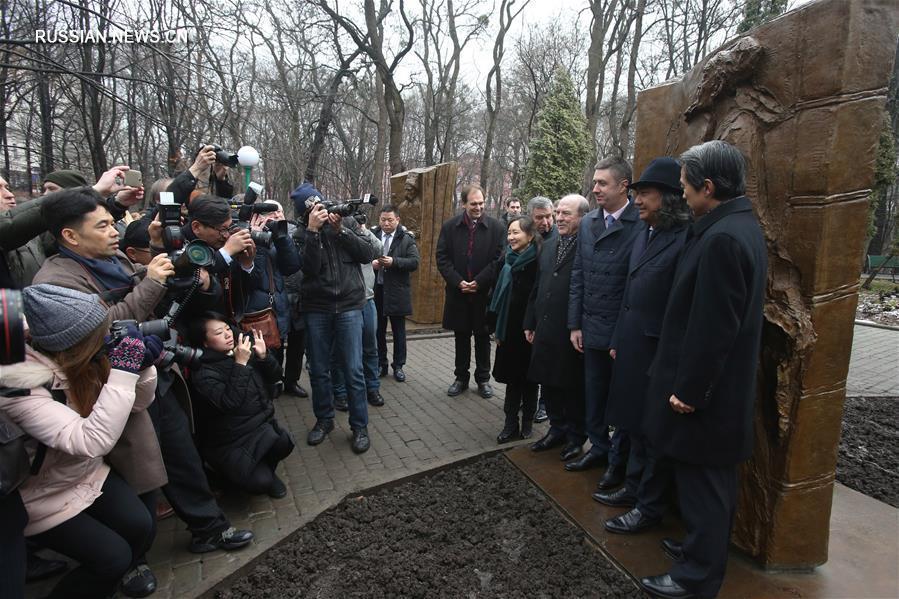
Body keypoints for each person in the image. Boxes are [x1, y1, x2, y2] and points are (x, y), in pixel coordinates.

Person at [639, 141, 767, 599]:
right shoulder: (732, 226)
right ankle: (700, 548)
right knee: (704, 483)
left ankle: (696, 578)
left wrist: (690, 390)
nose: (682, 193)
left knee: (706, 486)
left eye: (685, 186)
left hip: (707, 397)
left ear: (707, 187)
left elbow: (714, 328)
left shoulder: (723, 239)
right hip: (716, 391)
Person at [0, 284, 158, 599]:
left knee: (141, 526)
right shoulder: (19, 386)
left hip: (84, 472)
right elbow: (89, 440)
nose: (106, 339)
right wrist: (123, 371)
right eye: (98, 335)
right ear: (74, 346)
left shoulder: (84, 361)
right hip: (42, 493)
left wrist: (141, 369)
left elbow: (137, 405)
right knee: (112, 559)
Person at [593, 158, 690, 538]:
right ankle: (632, 488)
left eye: (645, 194)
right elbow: (629, 293)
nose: (637, 201)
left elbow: (679, 308)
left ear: (668, 198)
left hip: (658, 355)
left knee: (653, 434)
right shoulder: (645, 233)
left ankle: (648, 507)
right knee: (633, 425)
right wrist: (618, 339)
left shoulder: (684, 239)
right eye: (636, 194)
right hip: (631, 349)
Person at [566, 157, 640, 492]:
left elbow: (635, 286)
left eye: (602, 183)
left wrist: (622, 335)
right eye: (594, 182)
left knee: (621, 401)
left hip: (621, 331)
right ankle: (597, 447)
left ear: (624, 186)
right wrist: (575, 324)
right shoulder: (589, 223)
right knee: (593, 394)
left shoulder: (640, 223)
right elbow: (578, 275)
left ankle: (617, 462)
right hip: (590, 326)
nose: (594, 188)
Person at [291, 182, 379, 454]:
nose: (322, 211)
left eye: (321, 204)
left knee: (353, 370)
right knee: (319, 370)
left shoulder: (346, 221)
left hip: (350, 305)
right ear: (305, 213)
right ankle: (324, 420)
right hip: (317, 308)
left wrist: (340, 230)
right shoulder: (300, 233)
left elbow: (368, 254)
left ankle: (360, 426)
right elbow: (309, 270)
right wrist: (313, 232)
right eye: (314, 208)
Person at [188, 315, 295, 498]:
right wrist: (240, 364)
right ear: (204, 342)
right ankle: (226, 476)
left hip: (258, 427)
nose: (228, 335)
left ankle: (267, 471)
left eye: (227, 329)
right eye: (219, 333)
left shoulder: (242, 349)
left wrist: (264, 356)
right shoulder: (203, 372)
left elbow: (276, 376)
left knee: (284, 441)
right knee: (260, 482)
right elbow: (230, 403)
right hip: (230, 441)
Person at [525, 195, 589, 462]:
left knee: (571, 386)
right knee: (548, 382)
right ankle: (556, 428)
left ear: (583, 217)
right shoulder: (549, 245)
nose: (559, 218)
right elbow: (538, 285)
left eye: (566, 214)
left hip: (571, 330)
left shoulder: (589, 245)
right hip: (545, 326)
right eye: (558, 213)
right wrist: (530, 321)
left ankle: (576, 436)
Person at [435, 184, 505, 398]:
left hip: (483, 293)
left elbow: (499, 259)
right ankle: (460, 378)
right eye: (474, 203)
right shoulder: (450, 227)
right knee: (461, 336)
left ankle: (483, 379)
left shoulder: (497, 228)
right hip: (458, 293)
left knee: (483, 338)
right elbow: (442, 258)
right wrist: (458, 282)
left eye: (481, 203)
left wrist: (479, 282)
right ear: (464, 203)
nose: (478, 207)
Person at [488, 216, 540, 442]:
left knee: (530, 380)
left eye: (516, 232)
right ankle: (510, 424)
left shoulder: (539, 261)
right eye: (509, 233)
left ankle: (527, 421)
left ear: (530, 235)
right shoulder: (505, 260)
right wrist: (494, 327)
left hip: (530, 331)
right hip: (508, 329)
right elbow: (494, 295)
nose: (511, 237)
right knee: (512, 380)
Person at [332, 217, 385, 408]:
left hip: (367, 299)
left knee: (370, 347)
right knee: (339, 349)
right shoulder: (336, 233)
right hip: (344, 302)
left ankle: (372, 388)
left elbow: (379, 250)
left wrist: (362, 229)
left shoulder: (363, 233)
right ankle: (340, 392)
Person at [372, 205, 420, 382]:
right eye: (383, 220)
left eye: (390, 220)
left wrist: (394, 262)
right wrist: (372, 263)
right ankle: (381, 364)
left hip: (397, 291)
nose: (386, 223)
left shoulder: (406, 238)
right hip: (377, 290)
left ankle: (398, 366)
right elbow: (362, 255)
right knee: (378, 330)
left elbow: (414, 262)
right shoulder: (373, 235)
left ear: (397, 220)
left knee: (399, 331)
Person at [526, 195, 556, 424]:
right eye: (539, 218)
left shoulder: (558, 238)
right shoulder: (526, 236)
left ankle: (545, 403)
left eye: (548, 216)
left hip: (547, 309)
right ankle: (527, 399)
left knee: (546, 359)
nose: (545, 222)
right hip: (528, 305)